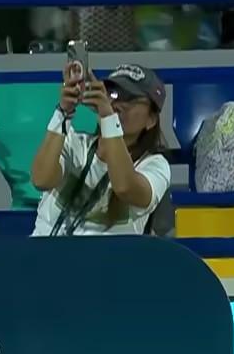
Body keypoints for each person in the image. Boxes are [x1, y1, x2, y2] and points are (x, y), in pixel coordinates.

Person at [29, 63, 171, 236]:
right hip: (45, 249)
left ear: (151, 120)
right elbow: (41, 180)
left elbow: (125, 187)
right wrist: (63, 111)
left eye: (130, 99)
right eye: (112, 93)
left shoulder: (155, 165)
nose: (117, 104)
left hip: (105, 254)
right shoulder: (74, 143)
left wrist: (109, 119)